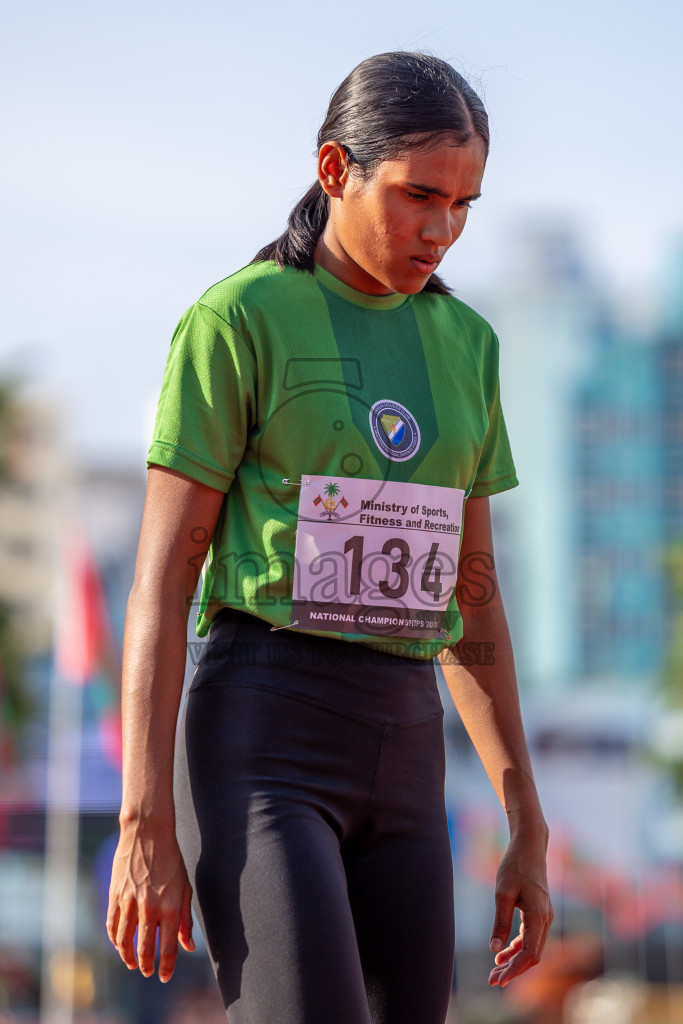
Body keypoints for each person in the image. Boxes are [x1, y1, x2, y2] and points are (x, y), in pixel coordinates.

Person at [106, 51, 552, 1024]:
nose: (440, 228)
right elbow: (160, 584)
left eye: (464, 203)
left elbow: (469, 595)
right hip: (266, 734)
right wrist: (143, 820)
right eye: (416, 195)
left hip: (405, 743)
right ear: (333, 169)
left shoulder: (466, 344)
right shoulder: (239, 318)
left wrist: (524, 816)